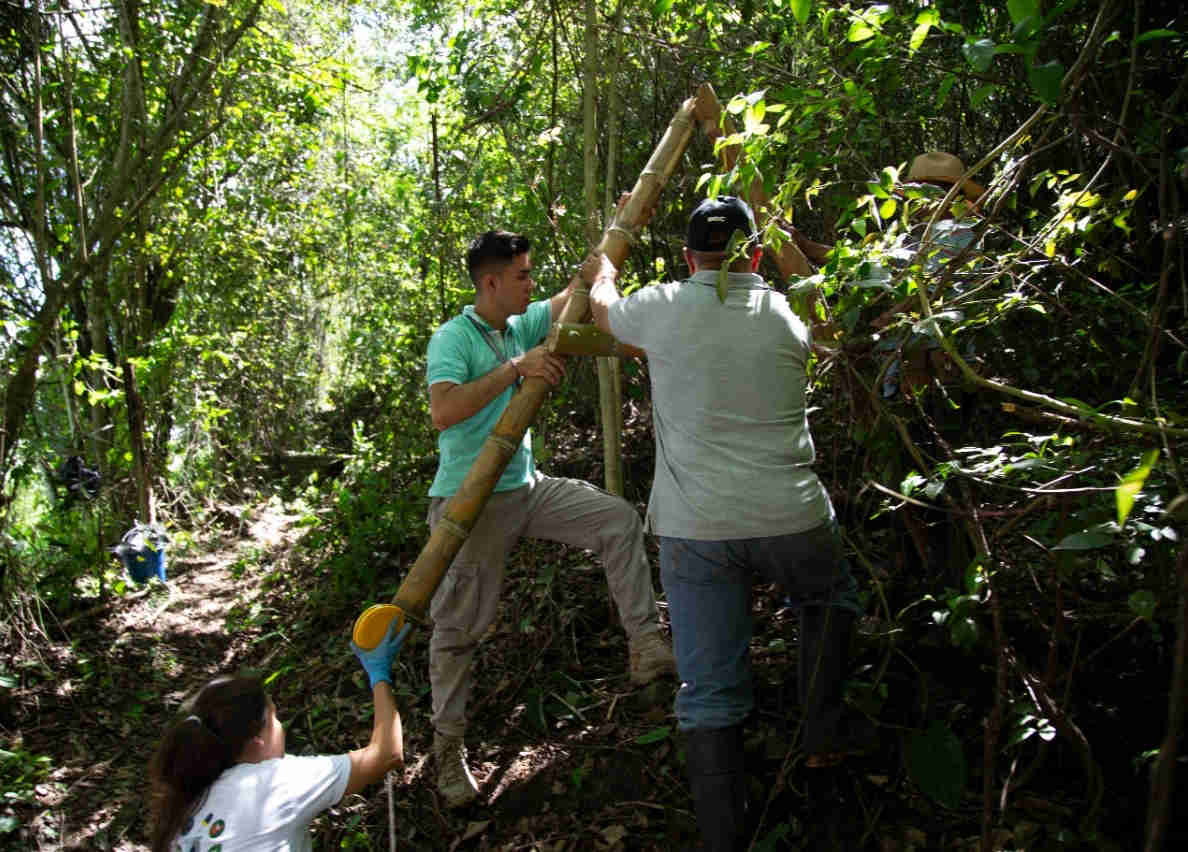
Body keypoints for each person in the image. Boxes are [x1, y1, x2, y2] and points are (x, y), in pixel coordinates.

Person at [588, 197, 867, 851]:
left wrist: (603, 266)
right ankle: (822, 734)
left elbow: (605, 311)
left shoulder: (661, 306)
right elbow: (828, 321)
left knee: (710, 692)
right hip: (792, 516)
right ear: (758, 255)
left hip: (698, 528)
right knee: (829, 599)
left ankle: (725, 839)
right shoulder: (786, 310)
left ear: (689, 257)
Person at [424, 230, 675, 808]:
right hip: (470, 504)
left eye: (531, 274)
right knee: (459, 629)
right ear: (490, 283)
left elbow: (564, 298)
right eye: (520, 275)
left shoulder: (521, 321)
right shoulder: (454, 337)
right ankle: (447, 755)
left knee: (615, 519)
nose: (530, 283)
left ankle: (646, 644)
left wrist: (596, 269)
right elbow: (444, 411)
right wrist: (517, 367)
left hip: (526, 488)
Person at [149, 621, 412, 851]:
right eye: (274, 717)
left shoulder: (184, 801)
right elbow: (386, 753)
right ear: (257, 740)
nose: (280, 725)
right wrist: (379, 675)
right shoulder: (272, 784)